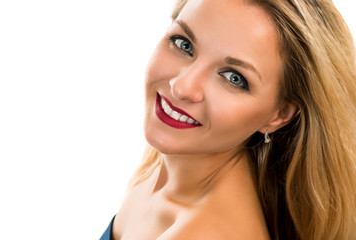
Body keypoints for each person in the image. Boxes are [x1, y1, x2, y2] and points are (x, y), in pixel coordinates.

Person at [101, 0, 356, 239]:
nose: (181, 86)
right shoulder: (157, 176)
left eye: (234, 77)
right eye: (184, 44)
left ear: (279, 115)